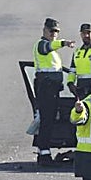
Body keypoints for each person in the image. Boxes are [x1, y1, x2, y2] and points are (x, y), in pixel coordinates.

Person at [32, 17, 75, 164]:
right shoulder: (42, 45)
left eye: (56, 31)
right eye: (51, 31)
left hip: (51, 88)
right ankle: (44, 154)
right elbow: (47, 48)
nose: (54, 34)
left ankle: (43, 151)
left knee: (49, 120)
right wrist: (64, 43)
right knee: (47, 121)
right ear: (44, 30)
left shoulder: (52, 48)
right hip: (46, 87)